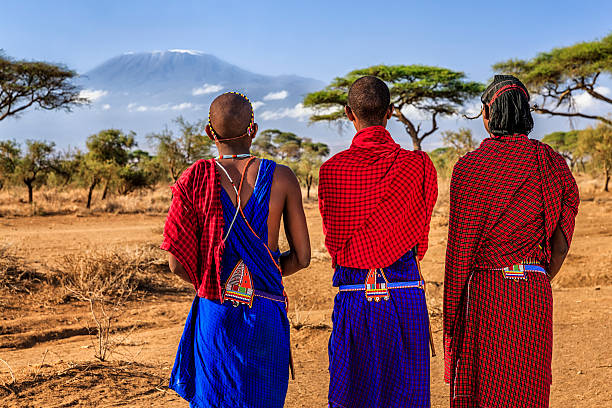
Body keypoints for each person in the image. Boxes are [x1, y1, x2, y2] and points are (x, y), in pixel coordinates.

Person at [161, 92, 311, 408]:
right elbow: (302, 257)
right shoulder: (282, 177)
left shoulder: (193, 179)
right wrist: (261, 274)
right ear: (253, 130)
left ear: (209, 133)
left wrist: (218, 282)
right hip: (265, 312)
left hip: (214, 312)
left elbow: (175, 264)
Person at [443, 75, 579, 407]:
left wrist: (451, 317)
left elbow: (460, 254)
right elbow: (560, 245)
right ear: (526, 115)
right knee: (528, 388)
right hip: (534, 292)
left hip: (487, 292)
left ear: (487, 116)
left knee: (484, 389)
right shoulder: (552, 163)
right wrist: (537, 274)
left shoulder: (469, 169)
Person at [318, 76, 438, 408]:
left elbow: (334, 242)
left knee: (352, 395)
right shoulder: (420, 166)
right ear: (390, 113)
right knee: (408, 397)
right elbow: (420, 241)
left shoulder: (331, 171)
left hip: (355, 299)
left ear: (348, 114)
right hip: (405, 296)